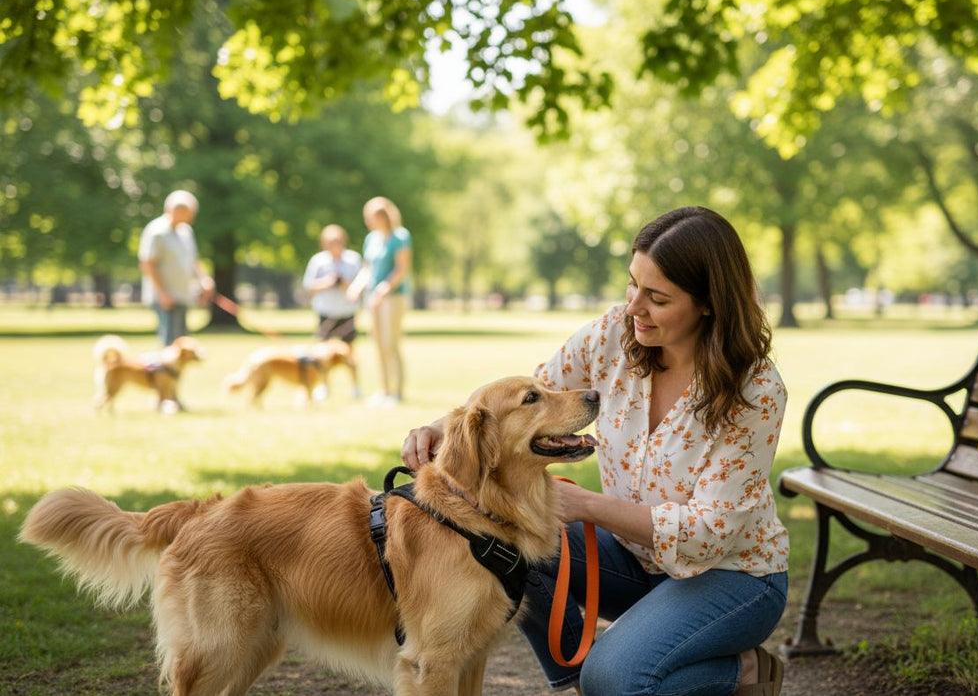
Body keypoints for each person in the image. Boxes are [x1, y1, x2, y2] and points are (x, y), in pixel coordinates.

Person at [401, 206, 789, 695]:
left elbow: (707, 536)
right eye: (632, 285)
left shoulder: (755, 391)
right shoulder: (616, 335)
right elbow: (534, 395)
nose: (633, 307)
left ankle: (746, 671)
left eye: (657, 297)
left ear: (708, 303)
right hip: (630, 560)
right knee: (504, 540)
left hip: (731, 578)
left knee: (617, 678)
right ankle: (580, 679)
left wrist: (588, 506)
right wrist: (446, 428)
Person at [347, 196, 412, 407]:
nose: (368, 221)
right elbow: (367, 269)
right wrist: (357, 286)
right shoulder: (371, 238)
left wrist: (383, 290)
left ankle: (397, 392)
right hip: (373, 298)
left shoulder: (400, 237)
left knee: (390, 343)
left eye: (371, 217)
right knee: (377, 344)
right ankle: (384, 389)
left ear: (383, 216)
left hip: (393, 297)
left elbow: (400, 269)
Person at [138, 189, 215, 346]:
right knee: (170, 343)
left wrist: (204, 279)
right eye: (189, 212)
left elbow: (193, 260)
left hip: (182, 294)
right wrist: (163, 294)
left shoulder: (185, 231)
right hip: (164, 297)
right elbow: (148, 264)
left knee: (182, 342)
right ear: (176, 210)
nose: (192, 216)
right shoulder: (157, 231)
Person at [303, 224, 363, 399]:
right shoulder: (318, 261)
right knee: (322, 354)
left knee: (350, 352)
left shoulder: (353, 259)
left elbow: (360, 284)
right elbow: (309, 286)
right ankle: (323, 386)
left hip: (346, 311)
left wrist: (344, 284)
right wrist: (327, 282)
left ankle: (355, 387)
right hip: (326, 311)